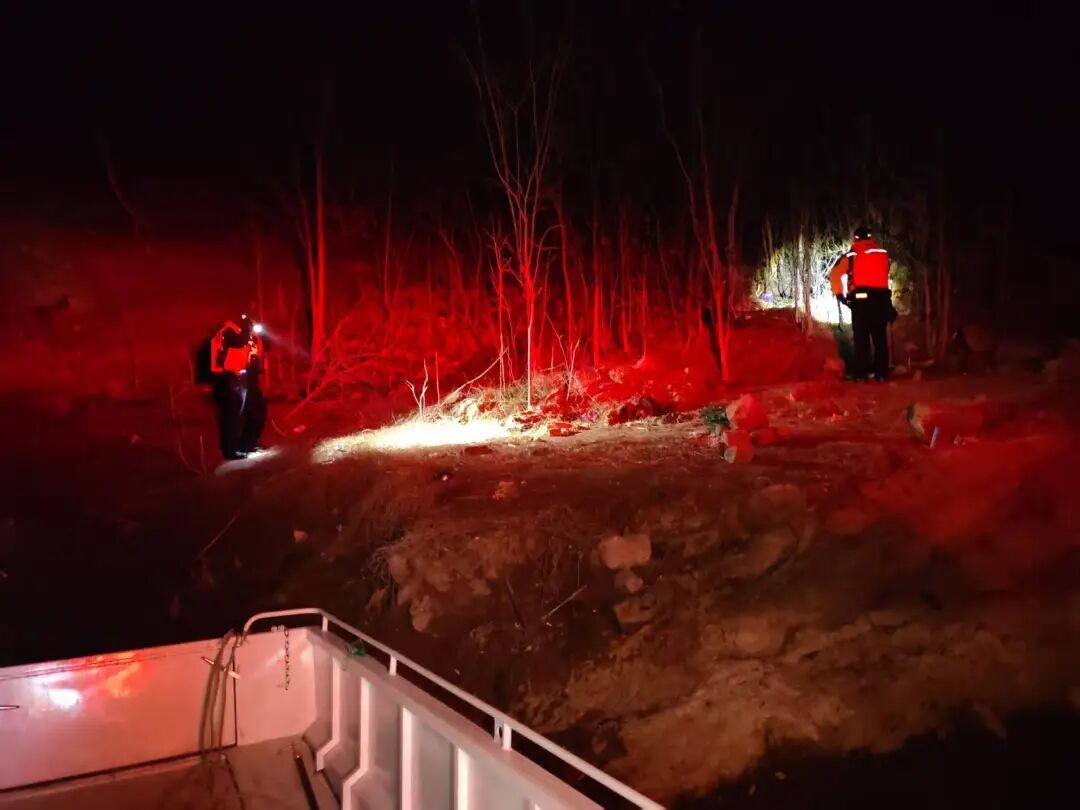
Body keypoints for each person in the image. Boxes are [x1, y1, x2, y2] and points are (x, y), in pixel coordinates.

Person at [830, 226, 895, 381]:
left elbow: (834, 274)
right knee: (880, 339)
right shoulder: (883, 254)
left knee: (861, 338)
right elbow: (886, 271)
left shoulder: (852, 255)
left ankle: (861, 374)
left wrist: (840, 295)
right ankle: (881, 374)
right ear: (870, 238)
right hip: (881, 301)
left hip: (861, 302)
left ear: (855, 238)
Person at [210, 314, 267, 459]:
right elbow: (236, 347)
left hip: (247, 376)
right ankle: (231, 450)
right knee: (233, 415)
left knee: (254, 412)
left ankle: (247, 444)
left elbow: (261, 349)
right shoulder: (229, 333)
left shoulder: (250, 336)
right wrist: (247, 331)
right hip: (233, 377)